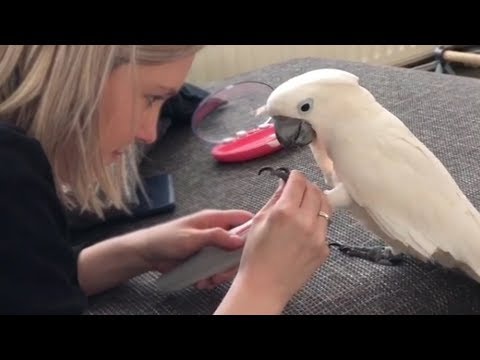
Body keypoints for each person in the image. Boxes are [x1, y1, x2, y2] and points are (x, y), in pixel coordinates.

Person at [0, 45, 332, 315]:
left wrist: (138, 252)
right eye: (151, 97)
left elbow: (25, 285)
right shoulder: (11, 169)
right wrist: (262, 288)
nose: (147, 133)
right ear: (79, 69)